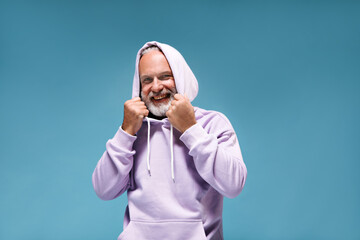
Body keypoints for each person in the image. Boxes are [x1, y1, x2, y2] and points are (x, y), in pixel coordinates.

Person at [92, 41, 247, 240]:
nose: (156, 87)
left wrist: (191, 129)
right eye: (147, 80)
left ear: (180, 77)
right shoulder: (133, 130)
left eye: (165, 76)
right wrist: (126, 132)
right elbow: (103, 190)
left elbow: (234, 185)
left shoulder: (212, 123)